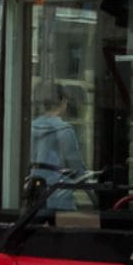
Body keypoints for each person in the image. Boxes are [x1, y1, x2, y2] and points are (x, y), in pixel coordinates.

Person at [30, 83, 86, 212]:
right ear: (63, 102)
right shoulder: (65, 131)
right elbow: (76, 169)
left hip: (34, 195)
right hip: (58, 197)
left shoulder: (30, 128)